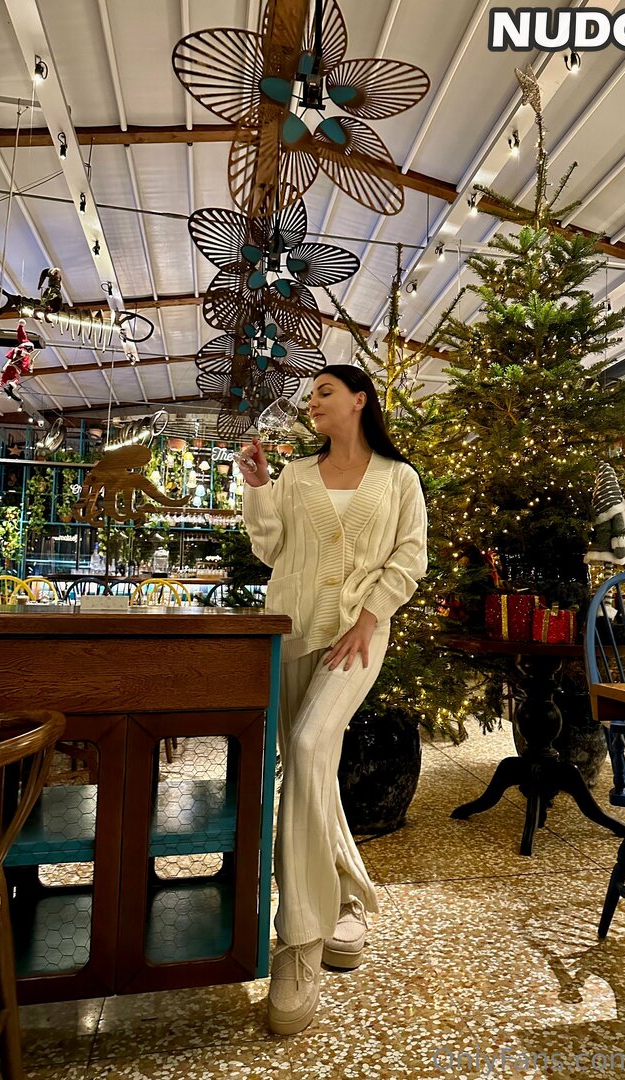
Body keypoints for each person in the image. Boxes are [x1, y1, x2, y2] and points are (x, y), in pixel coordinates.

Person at [238, 364, 428, 1037]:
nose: (311, 401)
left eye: (324, 391)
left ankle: (299, 940)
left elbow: (409, 559)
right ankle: (347, 896)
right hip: (293, 634)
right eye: (310, 394)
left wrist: (371, 618)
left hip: (358, 637)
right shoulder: (294, 477)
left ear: (359, 400)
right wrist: (258, 488)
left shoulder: (398, 479)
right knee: (310, 767)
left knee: (310, 745)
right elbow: (270, 549)